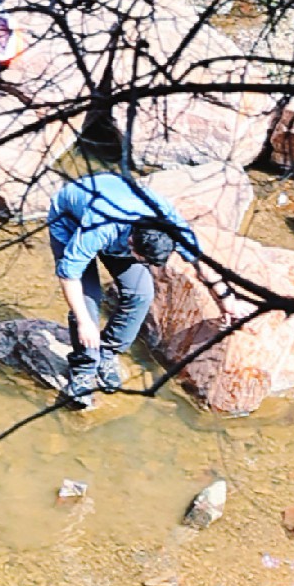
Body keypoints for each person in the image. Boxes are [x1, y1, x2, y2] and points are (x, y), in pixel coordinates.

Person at [44, 140, 199, 406]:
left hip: (116, 212)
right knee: (88, 301)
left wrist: (225, 296)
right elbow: (69, 274)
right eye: (142, 258)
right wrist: (84, 322)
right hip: (70, 222)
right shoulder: (101, 226)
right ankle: (83, 371)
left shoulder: (166, 218)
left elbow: (198, 258)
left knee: (141, 292)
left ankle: (108, 351)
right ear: (131, 243)